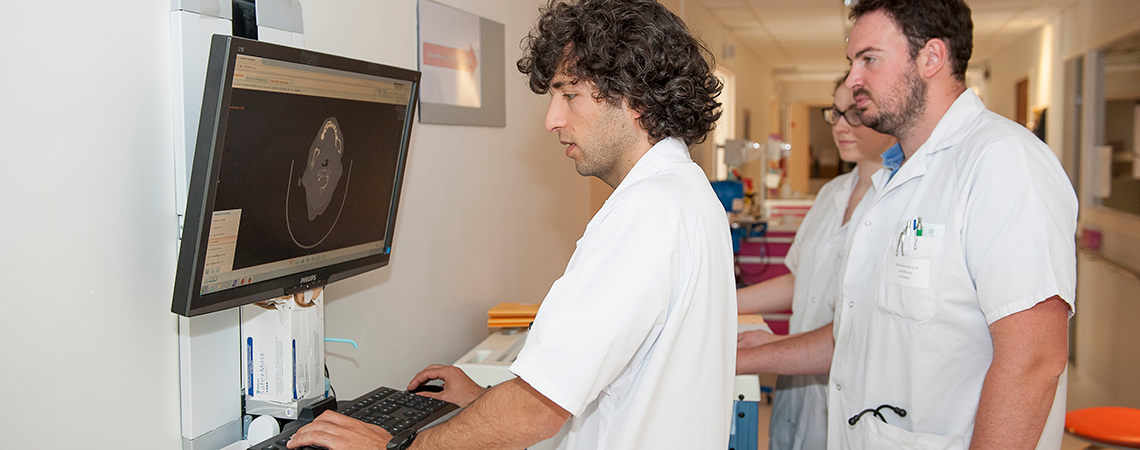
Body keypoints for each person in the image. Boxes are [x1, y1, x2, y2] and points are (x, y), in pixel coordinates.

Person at [286, 1, 735, 449]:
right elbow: (591, 387)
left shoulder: (646, 212)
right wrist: (484, 402)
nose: (552, 119)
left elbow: (535, 411)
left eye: (570, 95)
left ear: (633, 98)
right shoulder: (686, 193)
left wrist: (399, 447)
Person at [737, 0, 1077, 449]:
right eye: (851, 62)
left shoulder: (1002, 162)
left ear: (931, 58)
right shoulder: (893, 181)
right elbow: (858, 333)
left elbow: (1033, 360)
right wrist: (752, 353)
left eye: (869, 60)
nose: (854, 80)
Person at [735, 77, 894, 450]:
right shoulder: (831, 193)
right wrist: (724, 303)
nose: (840, 125)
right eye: (836, 113)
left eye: (855, 114)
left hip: (850, 402)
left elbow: (864, 329)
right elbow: (800, 279)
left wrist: (770, 349)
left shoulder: (899, 202)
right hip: (797, 388)